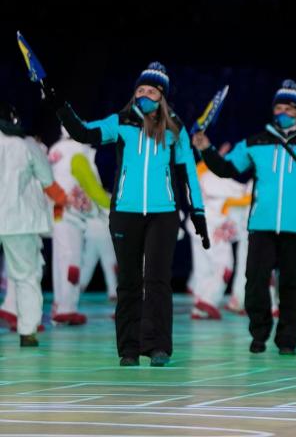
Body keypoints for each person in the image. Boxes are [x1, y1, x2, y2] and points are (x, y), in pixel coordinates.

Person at [53, 62, 209, 366]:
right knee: (128, 282)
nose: (144, 94)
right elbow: (84, 132)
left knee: (158, 281)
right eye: (140, 89)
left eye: (151, 90)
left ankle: (158, 347)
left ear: (162, 95)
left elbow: (188, 172)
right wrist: (60, 106)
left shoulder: (175, 128)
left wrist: (199, 212)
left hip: (164, 214)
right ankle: (128, 348)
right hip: (125, 212)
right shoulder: (120, 121)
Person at [193, 80, 296, 355]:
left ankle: (287, 340)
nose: (283, 112)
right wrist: (206, 149)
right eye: (279, 107)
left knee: (291, 285)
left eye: (289, 108)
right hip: (261, 225)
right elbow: (227, 169)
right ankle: (258, 334)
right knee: (255, 282)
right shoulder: (255, 142)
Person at [0, 102, 66, 347]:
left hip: (18, 220)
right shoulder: (27, 146)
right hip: (20, 222)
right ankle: (27, 331)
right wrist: (63, 202)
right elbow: (49, 183)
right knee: (26, 277)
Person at [48, 128, 111, 325]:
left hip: (56, 211)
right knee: (71, 261)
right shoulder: (77, 152)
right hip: (71, 214)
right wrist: (111, 207)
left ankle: (60, 305)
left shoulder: (55, 149)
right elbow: (91, 186)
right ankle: (67, 308)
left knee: (61, 260)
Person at [189, 143, 248, 320]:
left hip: (195, 225)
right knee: (225, 266)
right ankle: (207, 301)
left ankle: (199, 307)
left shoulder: (198, 174)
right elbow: (246, 196)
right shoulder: (216, 178)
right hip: (212, 227)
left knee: (203, 269)